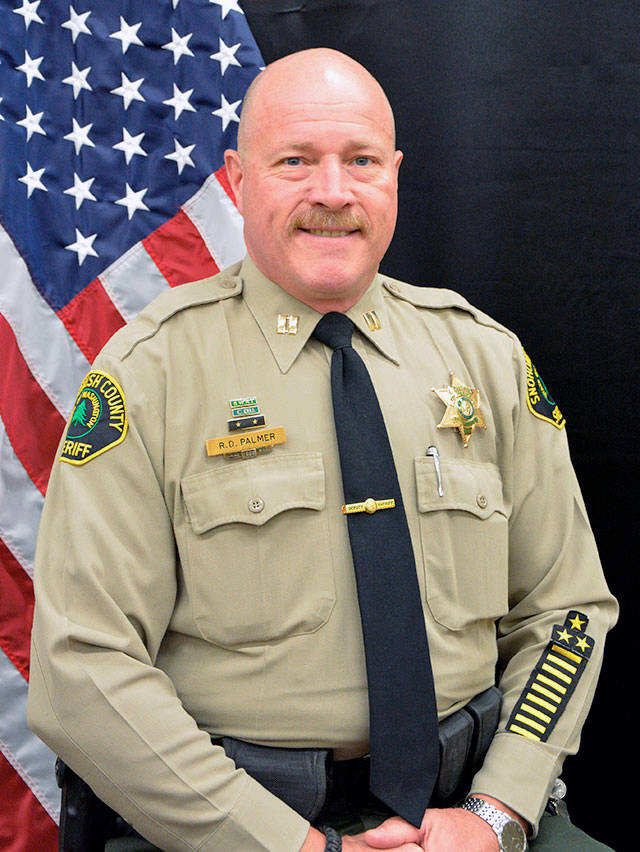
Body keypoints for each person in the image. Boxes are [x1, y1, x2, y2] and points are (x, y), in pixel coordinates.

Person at [28, 48, 618, 852]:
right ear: (238, 180)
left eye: (361, 161)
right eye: (296, 161)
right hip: (234, 829)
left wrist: (498, 810)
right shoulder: (150, 375)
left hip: (469, 816)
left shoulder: (485, 359)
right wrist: (292, 846)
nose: (333, 192)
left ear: (395, 176)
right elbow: (81, 667)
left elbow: (567, 611)